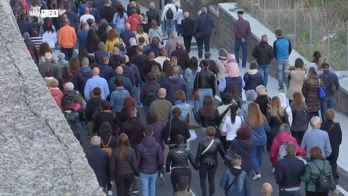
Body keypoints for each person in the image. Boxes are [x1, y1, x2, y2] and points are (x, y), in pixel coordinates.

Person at [195, 126, 225, 196]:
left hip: (203, 163)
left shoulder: (201, 142)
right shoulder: (218, 142)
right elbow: (222, 152)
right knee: (211, 179)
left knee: (202, 179)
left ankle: (204, 194)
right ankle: (211, 194)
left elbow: (198, 154)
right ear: (214, 133)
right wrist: (225, 159)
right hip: (213, 163)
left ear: (206, 133)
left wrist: (196, 163)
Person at [136, 126, 164, 196]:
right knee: (152, 187)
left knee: (145, 189)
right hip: (154, 170)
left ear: (144, 134)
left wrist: (137, 171)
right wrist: (159, 168)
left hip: (143, 170)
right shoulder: (157, 146)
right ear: (152, 133)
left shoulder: (139, 146)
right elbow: (161, 160)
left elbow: (138, 161)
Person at [247, 103, 270, 180]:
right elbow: (267, 129)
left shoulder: (248, 119)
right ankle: (258, 169)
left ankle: (257, 172)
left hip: (252, 140)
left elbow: (244, 129)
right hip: (262, 139)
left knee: (253, 156)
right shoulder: (263, 117)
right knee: (259, 155)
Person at [320, 109, 342, 183]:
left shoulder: (322, 125)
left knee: (326, 162)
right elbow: (340, 138)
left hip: (326, 149)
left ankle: (327, 177)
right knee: (333, 163)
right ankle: (335, 177)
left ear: (325, 116)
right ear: (333, 116)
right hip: (335, 149)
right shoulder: (337, 125)